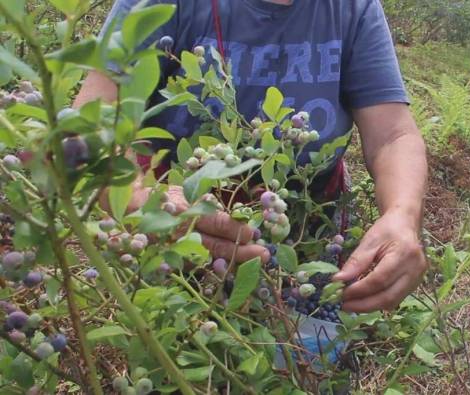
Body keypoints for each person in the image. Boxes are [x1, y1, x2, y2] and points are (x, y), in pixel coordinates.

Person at [76, 0, 428, 313]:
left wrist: (403, 215)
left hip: (310, 220)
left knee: (304, 340)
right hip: (181, 221)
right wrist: (141, 202)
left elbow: (393, 135)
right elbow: (89, 124)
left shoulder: (354, 9)